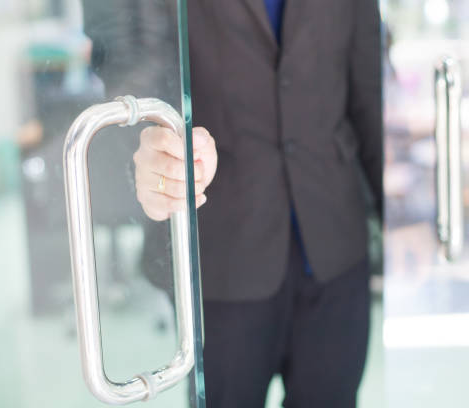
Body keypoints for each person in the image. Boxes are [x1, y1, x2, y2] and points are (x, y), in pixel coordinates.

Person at [89, 0, 382, 406]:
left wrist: (401, 216)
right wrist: (147, 154)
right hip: (221, 257)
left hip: (335, 244)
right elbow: (134, 62)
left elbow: (368, 81)